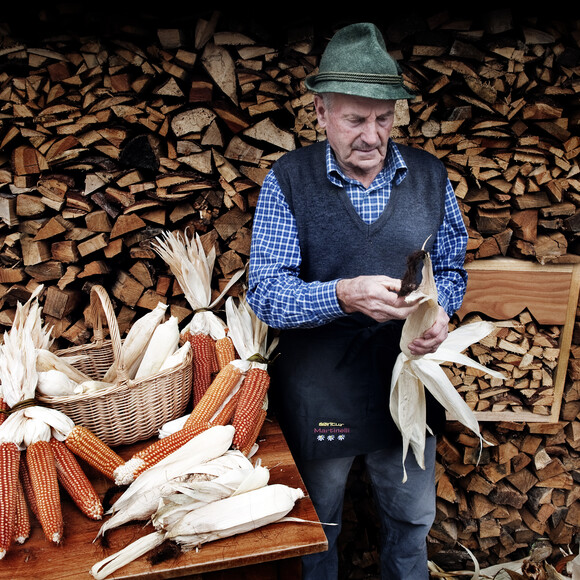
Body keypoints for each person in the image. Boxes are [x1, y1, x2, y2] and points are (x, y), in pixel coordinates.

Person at [246, 22, 468, 580]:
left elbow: (452, 267)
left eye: (384, 118)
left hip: (408, 385)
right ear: (320, 113)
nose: (372, 135)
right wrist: (343, 295)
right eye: (354, 119)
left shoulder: (430, 177)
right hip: (322, 389)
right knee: (315, 528)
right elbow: (266, 294)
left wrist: (442, 312)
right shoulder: (288, 181)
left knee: (412, 518)